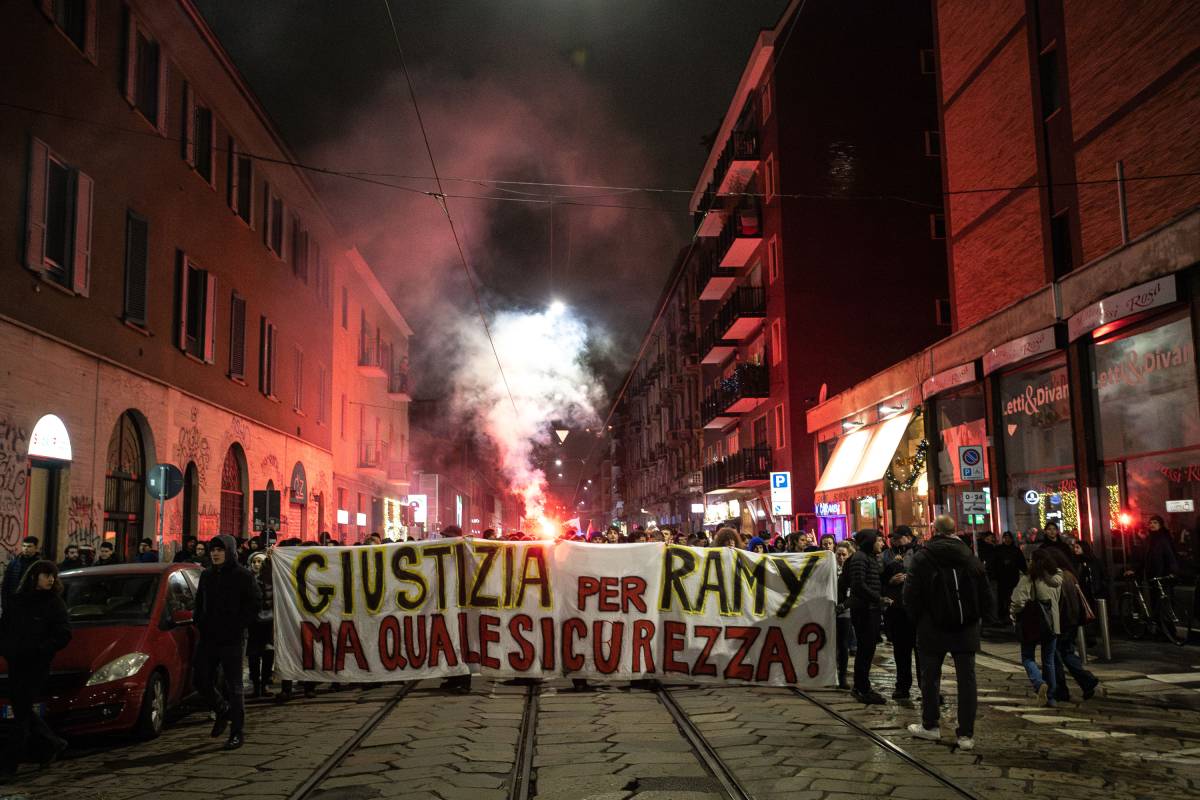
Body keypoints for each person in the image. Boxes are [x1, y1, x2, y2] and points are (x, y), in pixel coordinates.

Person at [904, 515, 987, 751]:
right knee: (967, 680)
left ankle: (930, 725)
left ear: (934, 530)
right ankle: (966, 735)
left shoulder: (923, 556)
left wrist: (918, 618)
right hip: (966, 626)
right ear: (954, 530)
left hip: (932, 625)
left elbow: (910, 594)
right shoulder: (969, 555)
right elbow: (983, 589)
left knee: (930, 677)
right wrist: (980, 618)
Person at [0, 561, 71, 773]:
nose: (50, 579)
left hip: (37, 663)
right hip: (16, 661)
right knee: (21, 707)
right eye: (46, 575)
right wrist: (7, 649)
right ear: (33, 577)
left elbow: (63, 634)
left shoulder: (54, 603)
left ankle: (9, 764)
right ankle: (52, 743)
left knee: (21, 711)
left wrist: (42, 648)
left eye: (53, 576)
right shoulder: (17, 601)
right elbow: (5, 627)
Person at [193, 535, 260, 749]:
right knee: (200, 679)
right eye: (213, 550)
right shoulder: (206, 576)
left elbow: (254, 604)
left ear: (229, 551)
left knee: (235, 686)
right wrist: (199, 621)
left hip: (232, 638)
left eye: (220, 550)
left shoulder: (243, 575)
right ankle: (223, 710)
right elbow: (199, 603)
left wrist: (239, 624)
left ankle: (237, 732)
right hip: (209, 637)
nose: (215, 553)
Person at [1043, 549, 1100, 702]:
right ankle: (1086, 681)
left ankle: (1061, 690)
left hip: (1059, 622)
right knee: (1067, 653)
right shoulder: (1070, 575)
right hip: (1072, 621)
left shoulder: (1055, 578)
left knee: (1055, 657)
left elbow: (1055, 603)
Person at [1010, 548, 1063, 707]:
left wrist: (1013, 613)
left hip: (1033, 623)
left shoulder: (1029, 578)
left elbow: (1019, 601)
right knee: (1049, 660)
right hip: (1053, 623)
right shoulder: (1057, 577)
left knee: (1027, 656)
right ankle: (1051, 697)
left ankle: (1039, 683)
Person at [844, 529, 886, 704]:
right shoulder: (860, 558)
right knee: (865, 649)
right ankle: (861, 688)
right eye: (878, 541)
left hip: (871, 609)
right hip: (864, 610)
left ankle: (863, 686)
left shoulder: (869, 557)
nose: (882, 544)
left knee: (868, 649)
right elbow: (858, 584)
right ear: (869, 541)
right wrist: (879, 598)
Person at [881, 527, 918, 700]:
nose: (894, 541)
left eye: (898, 538)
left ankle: (928, 688)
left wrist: (908, 576)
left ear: (909, 537)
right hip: (897, 610)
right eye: (892, 538)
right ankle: (902, 687)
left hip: (917, 611)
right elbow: (879, 579)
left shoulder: (920, 552)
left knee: (922, 653)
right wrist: (889, 581)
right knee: (901, 652)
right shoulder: (887, 554)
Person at [246, 553, 275, 699]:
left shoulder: (272, 580)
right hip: (254, 622)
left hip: (269, 621)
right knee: (253, 655)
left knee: (268, 653)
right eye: (254, 561)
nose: (257, 564)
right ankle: (255, 685)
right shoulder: (247, 579)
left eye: (260, 562)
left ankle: (265, 684)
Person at [990, 532, 1026, 628]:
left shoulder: (1015, 550)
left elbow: (1021, 563)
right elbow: (993, 563)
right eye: (1005, 537)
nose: (1007, 539)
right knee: (1002, 599)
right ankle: (1003, 616)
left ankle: (1010, 616)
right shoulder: (998, 550)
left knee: (1012, 598)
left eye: (1008, 537)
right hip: (1001, 579)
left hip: (1013, 578)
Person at [833, 542, 853, 690]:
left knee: (843, 644)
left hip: (844, 611)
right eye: (838, 554)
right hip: (830, 610)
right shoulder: (829, 569)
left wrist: (844, 605)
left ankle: (842, 676)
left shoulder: (852, 570)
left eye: (843, 555)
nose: (840, 557)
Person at [2, 537, 42, 609]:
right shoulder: (14, 563)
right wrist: (4, 604)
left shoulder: (40, 564)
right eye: (24, 546)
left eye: (29, 546)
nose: (25, 548)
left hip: (31, 603)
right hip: (14, 602)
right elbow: (6, 585)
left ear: (36, 548)